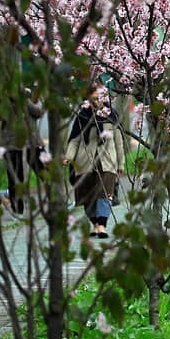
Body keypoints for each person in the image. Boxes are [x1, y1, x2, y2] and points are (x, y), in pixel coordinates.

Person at [65, 83, 123, 239]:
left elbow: (118, 141)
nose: (97, 102)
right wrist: (68, 157)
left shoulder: (112, 115)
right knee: (88, 196)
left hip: (107, 161)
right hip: (85, 161)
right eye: (94, 99)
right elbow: (75, 140)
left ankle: (102, 226)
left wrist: (121, 163)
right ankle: (95, 224)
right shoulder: (82, 116)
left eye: (100, 98)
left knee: (105, 193)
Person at [0, 89, 46, 215]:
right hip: (12, 144)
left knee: (45, 172)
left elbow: (39, 112)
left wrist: (25, 100)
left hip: (33, 142)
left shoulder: (29, 96)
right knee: (15, 179)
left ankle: (57, 202)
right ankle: (17, 210)